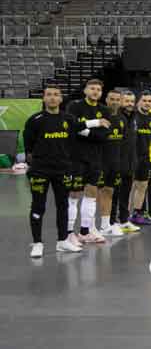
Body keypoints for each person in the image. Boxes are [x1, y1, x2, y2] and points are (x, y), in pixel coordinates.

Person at [24, 85, 109, 257]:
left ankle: (62, 241)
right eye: (49, 95)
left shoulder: (68, 119)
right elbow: (29, 148)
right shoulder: (35, 120)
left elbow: (79, 126)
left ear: (61, 99)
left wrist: (97, 122)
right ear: (44, 98)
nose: (53, 98)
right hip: (40, 171)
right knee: (38, 206)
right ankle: (38, 243)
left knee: (63, 205)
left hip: (62, 170)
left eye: (56, 95)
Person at [66, 79, 112, 243]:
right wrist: (96, 127)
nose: (95, 92)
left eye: (98, 89)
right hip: (76, 157)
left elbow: (105, 135)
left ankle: (85, 232)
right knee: (74, 194)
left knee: (91, 193)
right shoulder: (74, 106)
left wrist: (86, 132)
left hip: (95, 158)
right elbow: (71, 127)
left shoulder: (104, 110)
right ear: (85, 90)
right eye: (92, 88)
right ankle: (69, 232)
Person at [97, 89, 126, 237]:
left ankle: (105, 225)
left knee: (109, 192)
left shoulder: (122, 119)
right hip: (100, 162)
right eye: (112, 99)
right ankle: (89, 227)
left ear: (120, 101)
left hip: (115, 163)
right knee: (98, 193)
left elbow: (123, 142)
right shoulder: (100, 117)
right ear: (106, 100)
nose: (114, 102)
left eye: (117, 99)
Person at [111, 90, 140, 233]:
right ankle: (111, 222)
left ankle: (123, 220)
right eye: (127, 101)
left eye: (132, 101)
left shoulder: (134, 118)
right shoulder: (115, 117)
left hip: (130, 163)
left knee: (125, 193)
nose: (130, 104)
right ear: (120, 101)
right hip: (116, 162)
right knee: (114, 193)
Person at [129, 92, 151, 226]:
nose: (147, 103)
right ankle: (123, 215)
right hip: (130, 156)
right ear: (139, 102)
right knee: (129, 186)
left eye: (149, 101)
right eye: (144, 100)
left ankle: (136, 214)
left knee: (142, 185)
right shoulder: (132, 116)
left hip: (145, 157)